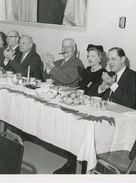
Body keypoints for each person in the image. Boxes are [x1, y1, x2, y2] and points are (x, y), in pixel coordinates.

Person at [42, 38, 84, 174]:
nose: (65, 50)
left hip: (68, 99)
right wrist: (46, 66)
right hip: (55, 95)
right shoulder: (60, 62)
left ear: (74, 49)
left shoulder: (77, 63)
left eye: (68, 47)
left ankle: (72, 162)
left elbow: (67, 80)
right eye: (63, 47)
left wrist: (51, 66)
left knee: (67, 131)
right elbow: (46, 77)